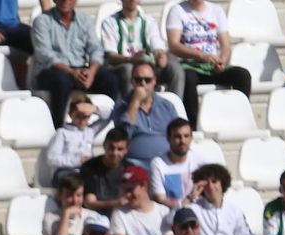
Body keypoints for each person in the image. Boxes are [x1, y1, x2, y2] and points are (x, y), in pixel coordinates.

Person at [31, 0, 118, 128]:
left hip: (79, 68)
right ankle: (58, 128)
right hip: (51, 71)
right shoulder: (42, 21)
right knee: (61, 81)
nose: (65, 1)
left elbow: (96, 48)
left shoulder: (84, 20)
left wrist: (91, 72)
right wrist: (71, 72)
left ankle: (109, 124)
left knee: (110, 79)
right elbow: (45, 54)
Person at [164, 0, 249, 123]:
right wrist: (201, 55)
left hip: (211, 66)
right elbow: (174, 45)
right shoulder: (177, 11)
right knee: (188, 77)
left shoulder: (216, 11)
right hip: (189, 64)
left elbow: (226, 45)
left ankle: (240, 118)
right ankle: (192, 124)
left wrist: (222, 62)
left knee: (242, 75)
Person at [190, 163, 264, 235]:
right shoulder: (194, 209)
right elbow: (171, 219)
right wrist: (191, 196)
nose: (210, 186)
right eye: (205, 183)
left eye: (214, 181)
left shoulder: (234, 209)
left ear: (222, 183)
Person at [103, 1, 180, 97]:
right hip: (121, 66)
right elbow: (111, 56)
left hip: (147, 65)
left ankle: (175, 106)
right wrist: (130, 59)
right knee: (129, 69)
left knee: (174, 67)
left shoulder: (149, 20)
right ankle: (131, 107)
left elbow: (157, 45)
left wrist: (160, 55)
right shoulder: (110, 22)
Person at [40, 92, 97, 187]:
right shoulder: (62, 133)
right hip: (65, 171)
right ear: (71, 114)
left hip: (85, 171)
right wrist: (78, 161)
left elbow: (109, 115)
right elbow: (52, 158)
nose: (82, 119)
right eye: (78, 115)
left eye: (86, 116)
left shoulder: (90, 131)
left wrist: (95, 109)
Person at [80, 126, 131, 215]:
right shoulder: (89, 168)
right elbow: (90, 203)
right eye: (111, 148)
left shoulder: (130, 169)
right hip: (95, 215)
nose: (115, 153)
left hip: (122, 216)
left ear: (126, 150)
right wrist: (117, 203)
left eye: (120, 149)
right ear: (104, 146)